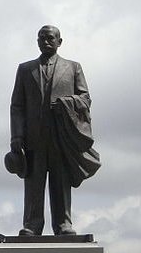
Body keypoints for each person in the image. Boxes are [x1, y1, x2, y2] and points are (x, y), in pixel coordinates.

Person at [9, 25, 99, 236]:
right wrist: (16, 136)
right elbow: (17, 106)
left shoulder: (73, 67)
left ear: (60, 41)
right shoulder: (25, 69)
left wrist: (66, 103)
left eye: (50, 38)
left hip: (61, 136)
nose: (46, 41)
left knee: (60, 181)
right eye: (41, 38)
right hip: (33, 138)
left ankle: (63, 224)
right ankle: (32, 224)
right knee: (34, 182)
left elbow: (85, 99)